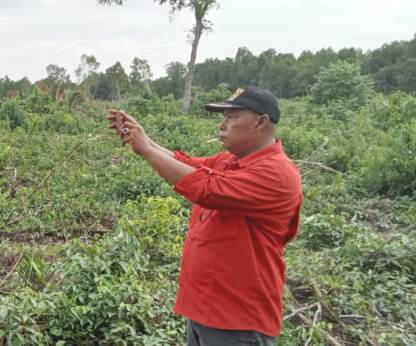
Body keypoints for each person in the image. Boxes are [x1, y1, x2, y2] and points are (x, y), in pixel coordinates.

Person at [106, 86, 303, 346]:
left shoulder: (277, 174)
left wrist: (148, 150)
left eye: (232, 117)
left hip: (238, 321)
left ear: (261, 121)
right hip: (207, 309)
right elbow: (191, 166)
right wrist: (145, 141)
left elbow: (206, 189)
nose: (222, 125)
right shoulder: (229, 160)